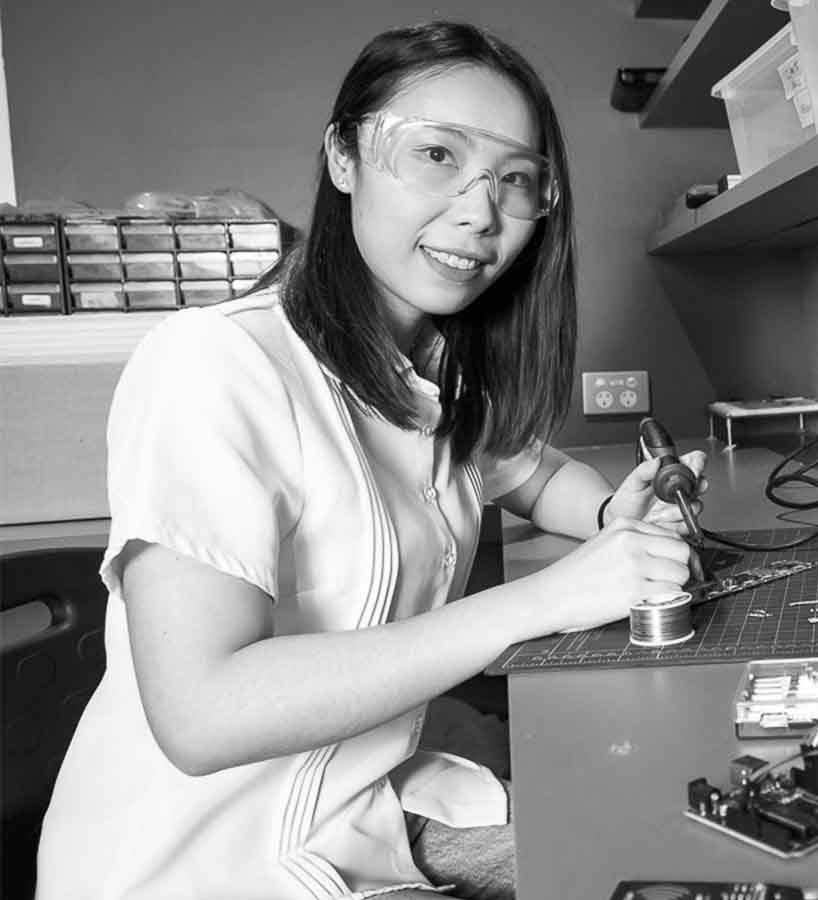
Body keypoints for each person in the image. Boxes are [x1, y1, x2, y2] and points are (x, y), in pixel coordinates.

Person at [34, 20, 706, 900]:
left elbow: (532, 472)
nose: (479, 211)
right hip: (206, 869)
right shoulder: (215, 363)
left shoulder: (429, 372)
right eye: (435, 155)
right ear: (344, 157)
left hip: (362, 815)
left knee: (663, 841)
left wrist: (612, 513)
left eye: (515, 180)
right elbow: (201, 712)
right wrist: (543, 600)